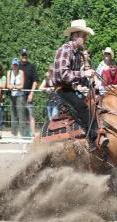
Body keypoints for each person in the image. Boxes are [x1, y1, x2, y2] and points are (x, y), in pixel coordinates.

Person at [52, 19, 109, 151]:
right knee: (82, 107)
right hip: (62, 91)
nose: (85, 38)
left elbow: (77, 78)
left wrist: (90, 83)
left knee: (95, 102)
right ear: (75, 35)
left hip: (71, 90)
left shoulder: (77, 53)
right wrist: (84, 74)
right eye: (83, 36)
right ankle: (93, 139)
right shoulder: (65, 50)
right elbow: (63, 74)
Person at [19, 48, 38, 137]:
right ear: (20, 56)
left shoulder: (31, 66)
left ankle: (33, 133)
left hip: (28, 95)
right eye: (23, 55)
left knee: (31, 114)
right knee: (21, 115)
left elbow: (35, 81)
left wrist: (32, 93)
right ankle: (23, 133)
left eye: (25, 55)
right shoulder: (17, 66)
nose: (24, 57)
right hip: (19, 95)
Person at [7, 58, 26, 138]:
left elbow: (22, 86)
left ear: (18, 65)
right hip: (12, 96)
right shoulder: (9, 72)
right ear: (12, 65)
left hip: (20, 96)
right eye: (14, 64)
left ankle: (22, 133)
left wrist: (14, 86)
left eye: (16, 65)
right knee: (13, 114)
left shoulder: (21, 72)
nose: (15, 66)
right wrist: (13, 87)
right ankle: (14, 133)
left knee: (21, 114)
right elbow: (8, 85)